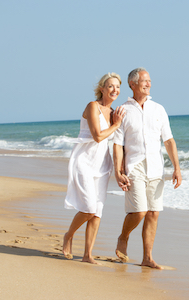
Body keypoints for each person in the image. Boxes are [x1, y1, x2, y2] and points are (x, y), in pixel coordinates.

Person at [113, 67, 182, 269]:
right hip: (134, 166)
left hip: (156, 167)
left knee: (153, 213)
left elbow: (168, 140)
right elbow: (117, 145)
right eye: (144, 81)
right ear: (132, 84)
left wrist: (177, 167)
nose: (148, 84)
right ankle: (123, 237)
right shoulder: (122, 110)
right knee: (140, 211)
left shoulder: (159, 109)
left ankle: (147, 258)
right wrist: (118, 171)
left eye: (150, 80)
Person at [62, 72, 125, 264]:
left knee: (97, 212)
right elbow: (97, 136)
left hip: (102, 165)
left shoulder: (114, 111)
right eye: (111, 86)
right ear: (102, 89)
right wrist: (117, 124)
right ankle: (68, 235)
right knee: (88, 208)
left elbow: (118, 143)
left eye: (117, 87)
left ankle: (87, 254)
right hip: (84, 163)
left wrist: (121, 169)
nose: (115, 90)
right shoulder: (92, 106)